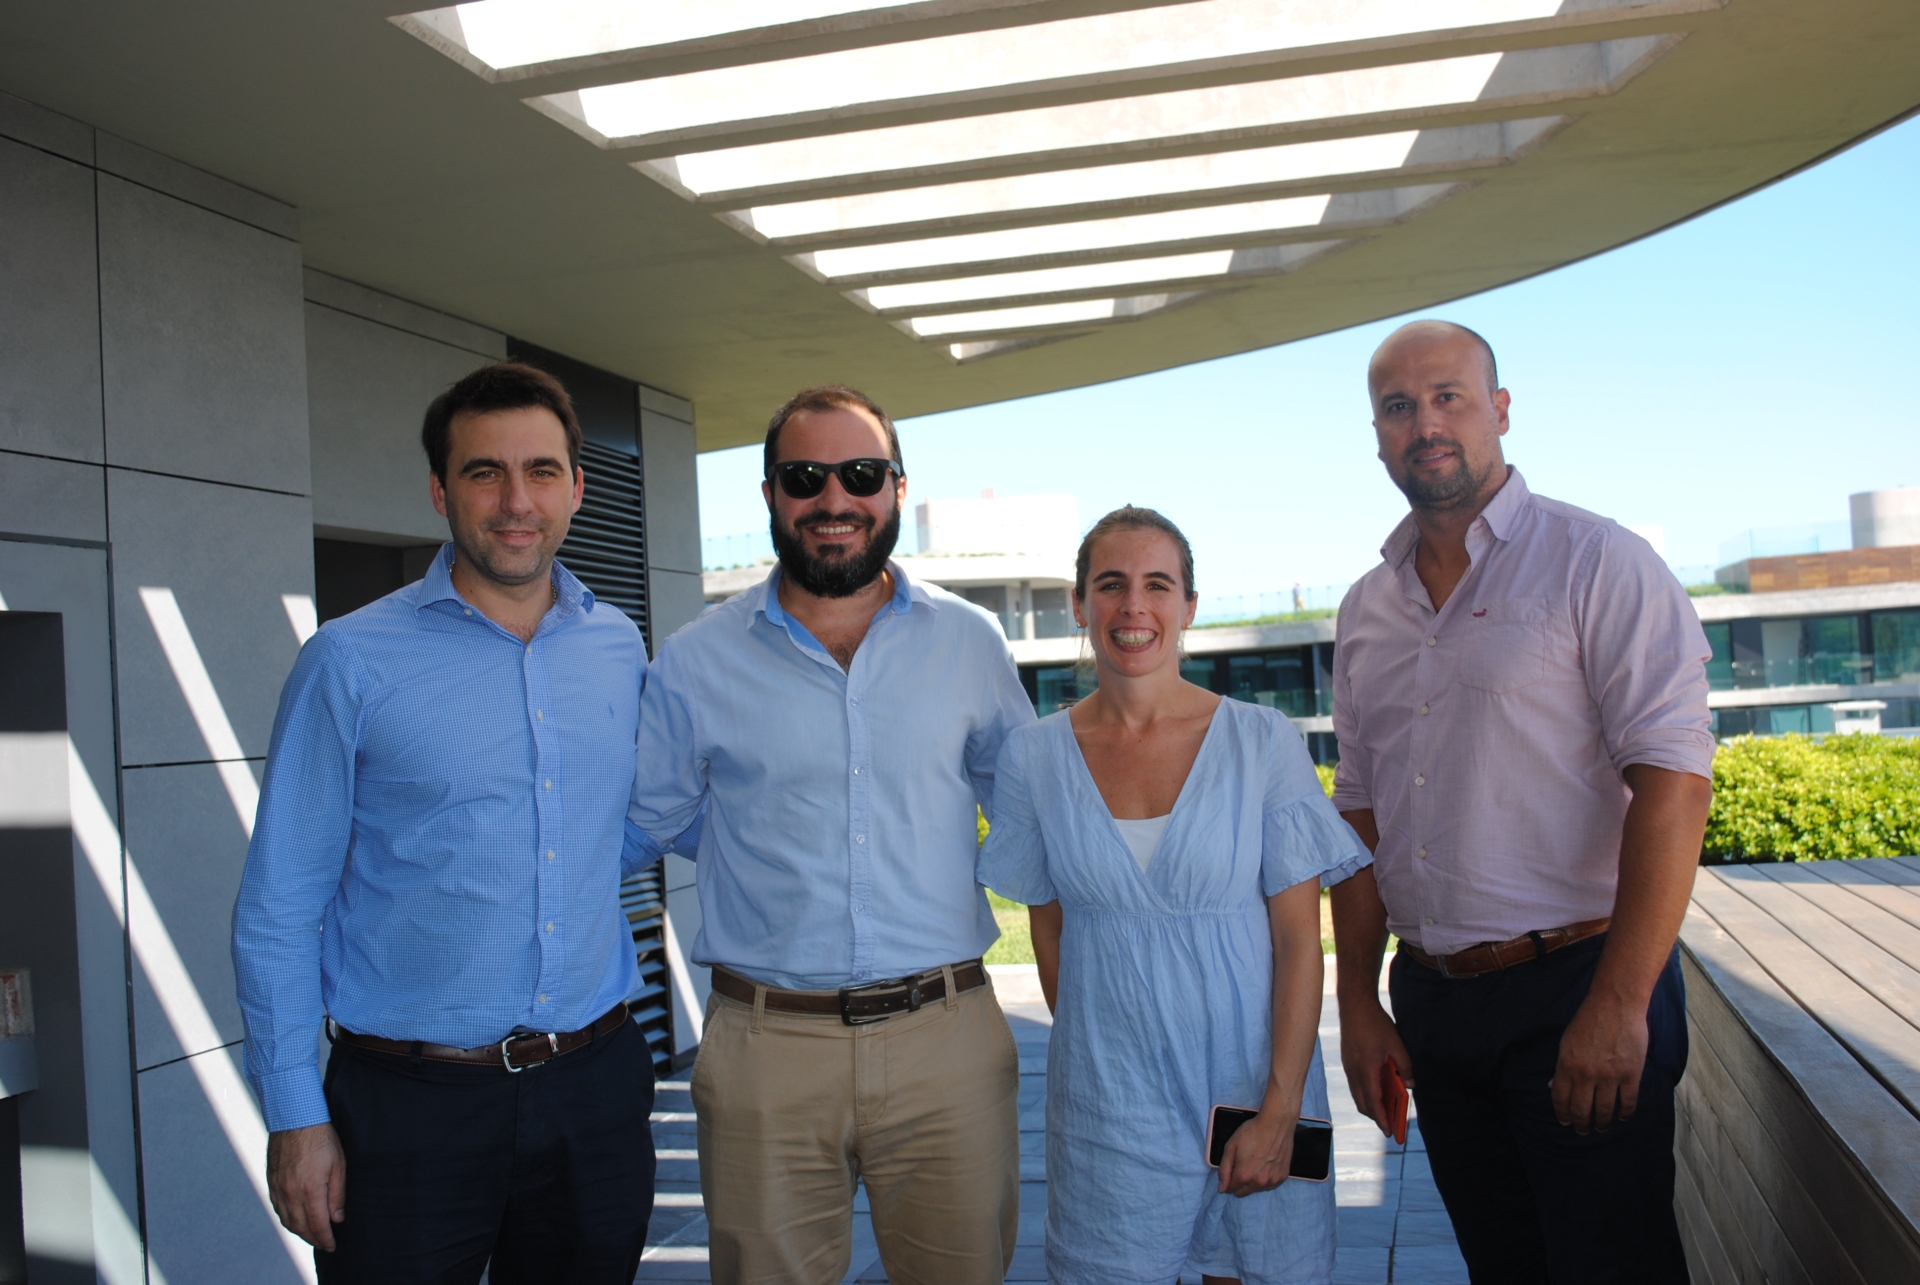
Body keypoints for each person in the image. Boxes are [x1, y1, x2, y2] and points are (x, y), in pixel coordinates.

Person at [233, 363, 662, 1283]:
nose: (517, 501)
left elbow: (615, 833)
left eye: (541, 471)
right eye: (484, 472)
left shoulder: (618, 645)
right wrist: (295, 1112)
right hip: (408, 1108)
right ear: (440, 490)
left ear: (578, 488)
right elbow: (279, 904)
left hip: (593, 1088)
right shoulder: (349, 660)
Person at [1329, 321, 1715, 1283]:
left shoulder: (1598, 560)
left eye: (1449, 396)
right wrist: (1357, 1001)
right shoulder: (1365, 609)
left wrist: (1619, 1004)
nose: (1426, 423)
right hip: (1434, 1004)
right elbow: (1360, 815)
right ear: (1377, 436)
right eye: (1398, 406)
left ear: (1499, 410)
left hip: (1578, 985)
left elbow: (1675, 783)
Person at [624, 385, 1035, 1285]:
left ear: (897, 487)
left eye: (861, 474)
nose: (835, 499)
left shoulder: (971, 642)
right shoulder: (695, 659)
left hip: (946, 1043)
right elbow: (648, 821)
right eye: (806, 477)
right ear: (771, 494)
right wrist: (757, 843)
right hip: (765, 1051)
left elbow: (1028, 811)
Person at [978, 506, 1370, 1285]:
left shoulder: (1262, 740)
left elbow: (1301, 940)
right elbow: (1049, 933)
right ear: (1081, 603)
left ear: (1189, 605)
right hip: (1109, 1103)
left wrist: (1281, 1106)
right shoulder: (1033, 758)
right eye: (1111, 584)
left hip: (1254, 1084)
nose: (1134, 606)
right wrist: (1105, 1051)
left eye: (1158, 584)